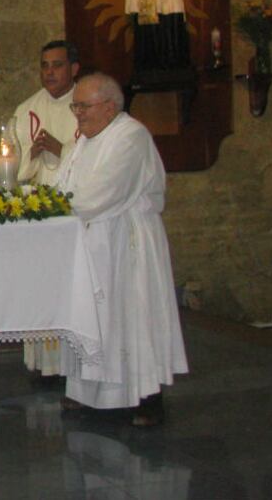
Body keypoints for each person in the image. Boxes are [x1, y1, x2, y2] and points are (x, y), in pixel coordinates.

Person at [56, 73, 187, 427]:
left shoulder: (131, 136)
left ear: (110, 107)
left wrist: (54, 206)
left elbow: (99, 195)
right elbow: (62, 183)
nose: (78, 113)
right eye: (75, 106)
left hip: (127, 244)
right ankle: (89, 392)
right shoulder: (84, 141)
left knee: (132, 317)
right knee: (94, 318)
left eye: (83, 106)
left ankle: (145, 397)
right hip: (92, 242)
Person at [11, 40, 81, 379]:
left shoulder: (87, 104)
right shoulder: (26, 110)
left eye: (57, 65)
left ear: (74, 69)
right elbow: (12, 165)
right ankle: (44, 364)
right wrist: (33, 154)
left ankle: (75, 361)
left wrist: (61, 148)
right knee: (41, 286)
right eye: (44, 66)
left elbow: (97, 155)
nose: (49, 72)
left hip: (77, 213)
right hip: (39, 212)